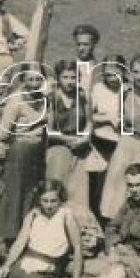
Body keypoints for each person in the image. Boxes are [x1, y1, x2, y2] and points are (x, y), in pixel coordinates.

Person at [0, 180, 84, 278]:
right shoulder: (33, 215)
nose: (49, 206)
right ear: (39, 200)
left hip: (51, 268)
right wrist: (7, 265)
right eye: (45, 201)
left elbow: (77, 247)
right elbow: (20, 242)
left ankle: (2, 263)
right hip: (28, 261)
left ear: (60, 200)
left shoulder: (66, 215)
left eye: (53, 201)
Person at [99, 54, 140, 219]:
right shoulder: (125, 91)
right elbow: (121, 118)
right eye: (135, 72)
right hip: (127, 142)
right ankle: (116, 226)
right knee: (117, 186)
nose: (139, 76)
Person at [0, 73, 48, 246]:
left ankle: (28, 235)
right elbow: (3, 132)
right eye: (31, 80)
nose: (35, 84)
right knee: (16, 193)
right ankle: (10, 238)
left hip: (37, 151)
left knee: (32, 193)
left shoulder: (44, 100)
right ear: (23, 81)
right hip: (20, 150)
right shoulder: (16, 100)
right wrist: (0, 155)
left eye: (39, 80)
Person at [45, 60, 92, 209]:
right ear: (58, 78)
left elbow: (90, 122)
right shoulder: (52, 97)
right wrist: (70, 139)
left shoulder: (82, 95)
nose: (70, 82)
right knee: (58, 187)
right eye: (65, 77)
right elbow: (49, 131)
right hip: (57, 147)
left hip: (80, 149)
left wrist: (85, 137)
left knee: (78, 191)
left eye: (73, 77)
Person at [86, 55, 127, 216]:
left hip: (121, 142)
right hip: (101, 141)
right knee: (99, 185)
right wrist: (109, 119)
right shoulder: (98, 89)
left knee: (117, 184)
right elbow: (89, 116)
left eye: (116, 74)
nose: (112, 79)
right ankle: (97, 219)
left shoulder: (128, 89)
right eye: (108, 75)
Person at [71, 24, 102, 96]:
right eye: (78, 44)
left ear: (94, 44)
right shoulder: (65, 67)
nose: (81, 48)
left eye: (86, 44)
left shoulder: (100, 69)